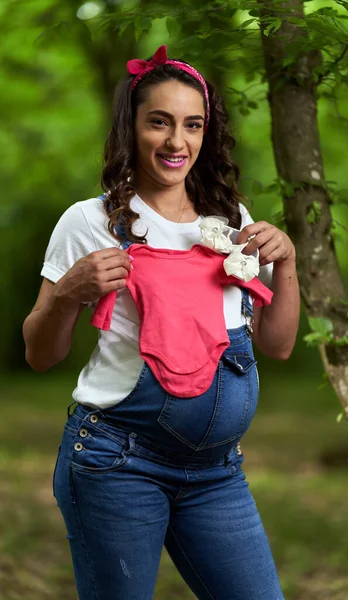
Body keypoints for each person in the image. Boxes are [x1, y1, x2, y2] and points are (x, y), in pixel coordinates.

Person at [22, 44, 300, 600]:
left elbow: (278, 345)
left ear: (207, 132)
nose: (177, 142)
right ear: (133, 127)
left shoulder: (232, 219)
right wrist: (66, 297)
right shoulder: (90, 221)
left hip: (218, 474)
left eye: (192, 125)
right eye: (160, 122)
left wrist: (287, 261)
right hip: (117, 466)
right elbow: (40, 354)